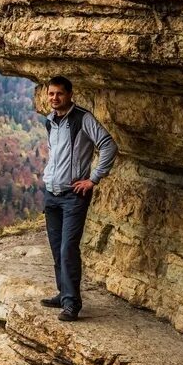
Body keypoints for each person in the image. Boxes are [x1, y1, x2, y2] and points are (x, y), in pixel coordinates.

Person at [40, 76, 118, 321]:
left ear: (70, 94)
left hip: (74, 196)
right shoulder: (50, 121)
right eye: (51, 94)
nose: (55, 98)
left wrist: (93, 178)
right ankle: (63, 294)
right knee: (56, 248)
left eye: (59, 94)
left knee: (67, 249)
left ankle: (72, 304)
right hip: (51, 194)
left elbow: (108, 145)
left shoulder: (83, 118)